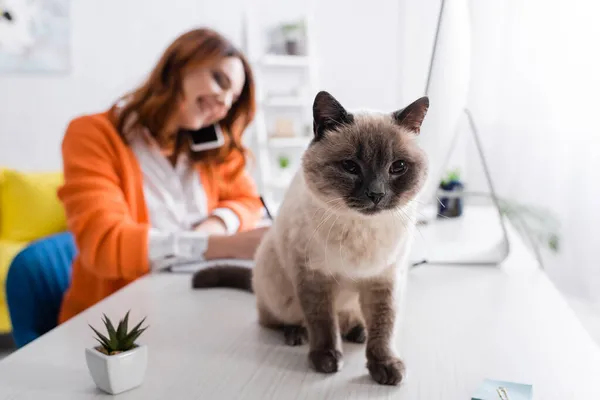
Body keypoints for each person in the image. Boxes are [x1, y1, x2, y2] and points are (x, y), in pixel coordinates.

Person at [56, 28, 268, 324]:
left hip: (189, 302)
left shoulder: (211, 147)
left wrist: (214, 226)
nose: (223, 102)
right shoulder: (93, 135)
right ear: (179, 64)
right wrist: (220, 245)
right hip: (112, 324)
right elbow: (105, 244)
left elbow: (247, 200)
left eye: (232, 99)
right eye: (220, 80)